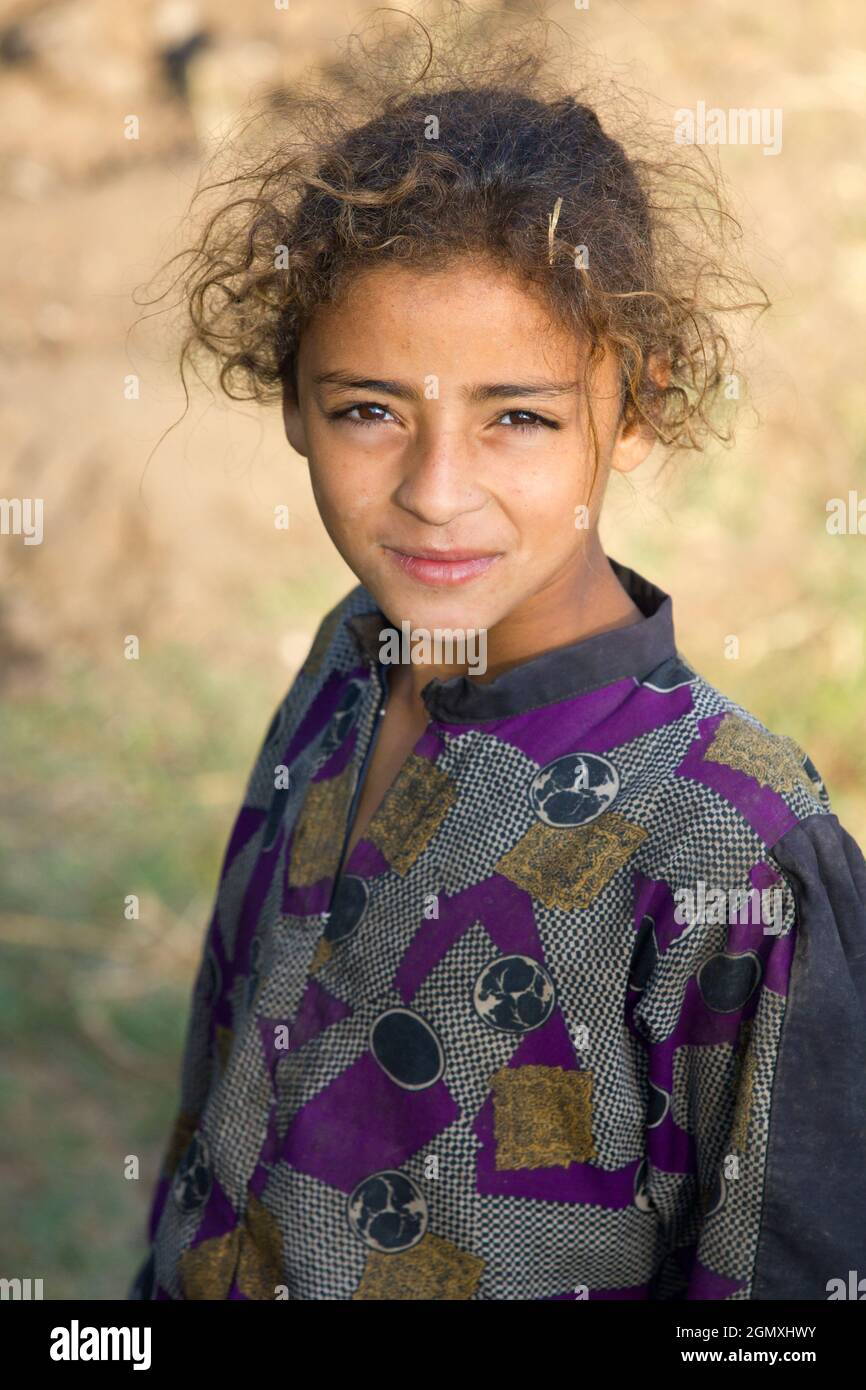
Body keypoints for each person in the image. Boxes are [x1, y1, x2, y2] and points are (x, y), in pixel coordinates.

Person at [129, 11, 866, 1300]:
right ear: (291, 399)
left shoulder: (733, 844)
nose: (435, 492)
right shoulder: (347, 669)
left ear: (636, 408)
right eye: (369, 410)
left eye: (517, 416)